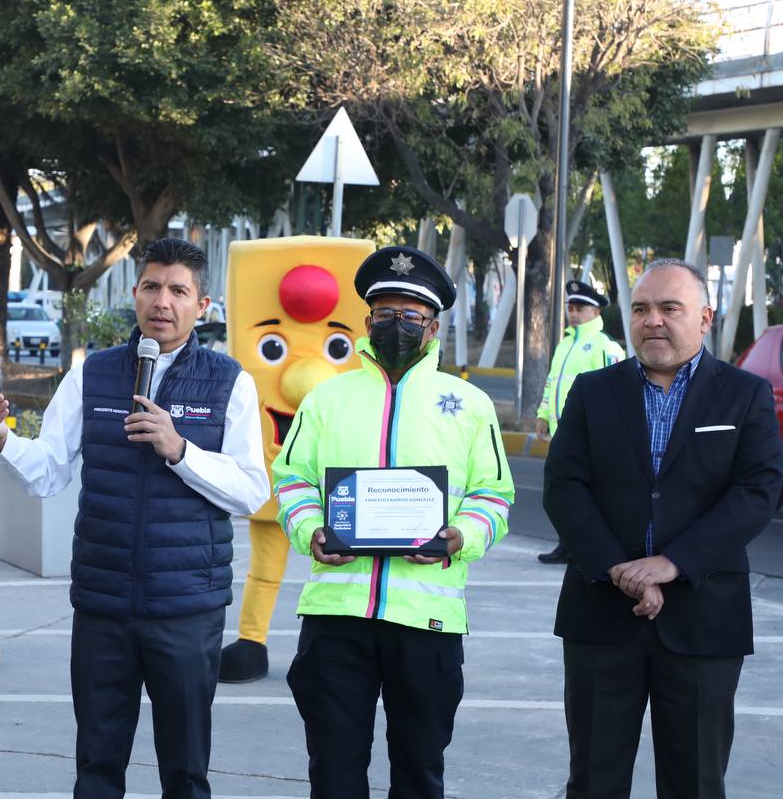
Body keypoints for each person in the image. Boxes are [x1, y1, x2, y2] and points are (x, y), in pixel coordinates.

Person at [0, 238, 268, 799]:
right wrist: (1, 437)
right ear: (135, 293)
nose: (163, 301)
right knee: (97, 768)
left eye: (179, 291)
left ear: (202, 305)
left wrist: (180, 451)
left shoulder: (231, 383)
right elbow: (49, 471)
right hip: (103, 604)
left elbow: (251, 492)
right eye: (152, 287)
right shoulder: (96, 374)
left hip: (186, 606)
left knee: (184, 771)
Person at [273, 245, 514, 799]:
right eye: (386, 314)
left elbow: (493, 496)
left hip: (426, 619)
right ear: (367, 321)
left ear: (432, 327)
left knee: (419, 773)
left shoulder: (468, 404)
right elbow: (292, 482)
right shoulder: (326, 399)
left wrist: (460, 538)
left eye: (411, 317)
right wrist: (311, 530)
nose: (397, 326)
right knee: (333, 774)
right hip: (336, 617)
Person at [544, 259, 783, 799]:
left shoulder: (743, 395)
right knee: (593, 782)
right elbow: (564, 485)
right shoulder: (592, 391)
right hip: (601, 619)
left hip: (704, 621)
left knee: (696, 782)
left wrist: (672, 564)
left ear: (704, 317)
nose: (653, 320)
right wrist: (617, 568)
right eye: (641, 309)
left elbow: (757, 491)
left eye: (669, 308)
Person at [218, 236, 374, 683]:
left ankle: (338, 648)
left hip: (338, 478)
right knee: (264, 567)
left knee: (340, 566)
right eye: (272, 348)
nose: (305, 380)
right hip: (276, 471)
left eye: (338, 349)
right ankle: (252, 640)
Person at [535, 279, 626, 564]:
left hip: (592, 434)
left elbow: (617, 392)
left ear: (596, 311)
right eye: (571, 307)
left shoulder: (605, 346)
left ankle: (583, 547)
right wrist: (542, 415)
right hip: (562, 431)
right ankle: (566, 544)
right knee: (562, 489)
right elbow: (552, 382)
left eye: (580, 308)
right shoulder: (565, 343)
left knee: (589, 492)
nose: (573, 313)